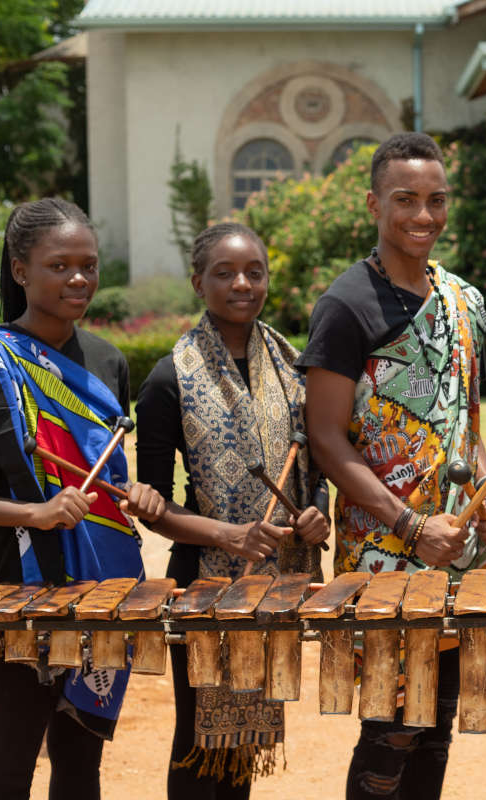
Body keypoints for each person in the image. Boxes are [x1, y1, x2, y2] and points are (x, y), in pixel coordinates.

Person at [0, 198, 167, 800]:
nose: (79, 279)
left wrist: (133, 494)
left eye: (87, 265)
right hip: (14, 592)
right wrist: (32, 513)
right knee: (10, 763)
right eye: (59, 265)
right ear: (19, 271)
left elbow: (104, 475)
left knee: (80, 759)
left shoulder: (110, 361)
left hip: (102, 588)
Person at [300, 132, 486, 799]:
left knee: (439, 721)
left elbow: (463, 421)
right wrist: (413, 528)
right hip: (383, 556)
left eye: (436, 199)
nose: (423, 214)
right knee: (390, 728)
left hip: (458, 551)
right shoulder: (346, 305)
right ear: (373, 204)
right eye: (405, 200)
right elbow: (327, 438)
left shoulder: (465, 301)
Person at [135, 222, 331, 797]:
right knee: (199, 743)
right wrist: (227, 534)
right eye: (224, 273)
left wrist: (314, 513)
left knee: (242, 745)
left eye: (254, 272)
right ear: (199, 282)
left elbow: (313, 473)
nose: (242, 283)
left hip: (278, 584)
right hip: (203, 583)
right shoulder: (168, 379)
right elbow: (154, 506)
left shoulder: (295, 370)